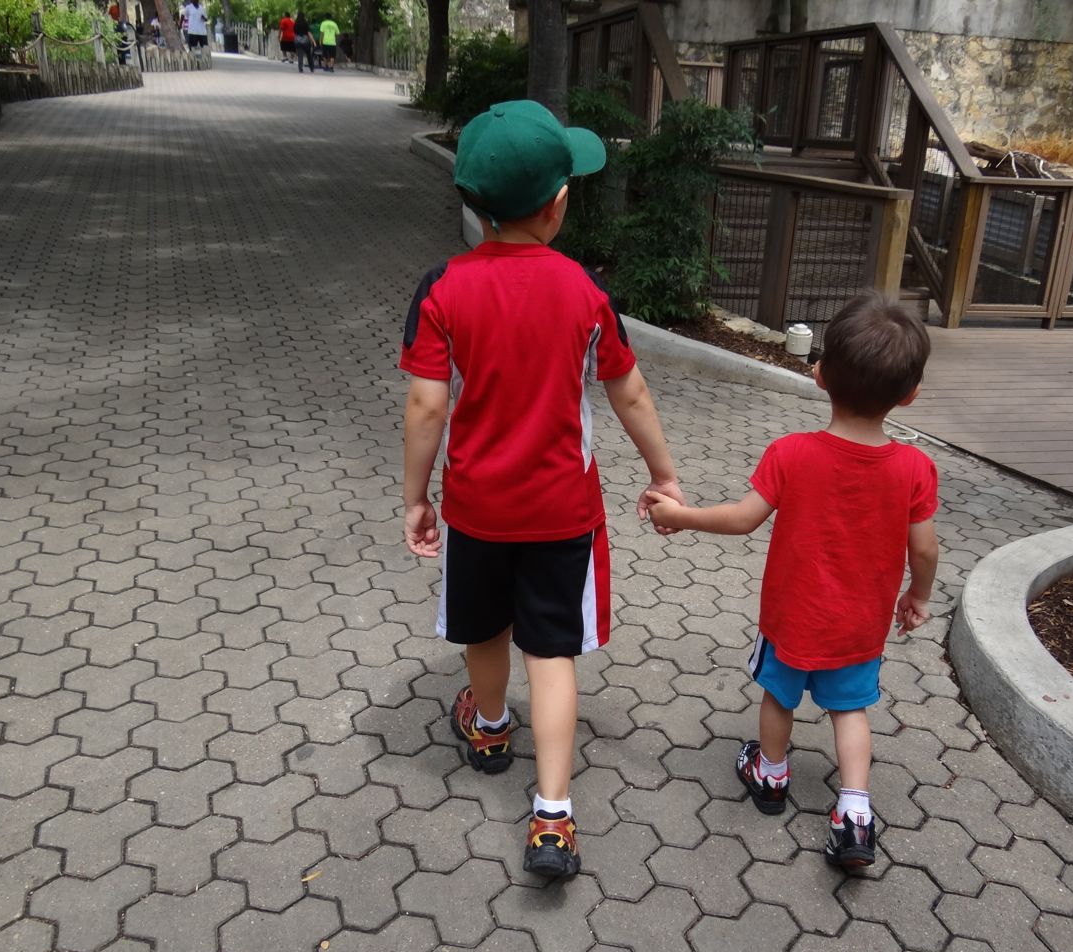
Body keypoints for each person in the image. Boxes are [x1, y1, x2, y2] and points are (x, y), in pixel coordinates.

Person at [400, 100, 683, 878]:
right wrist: (662, 473)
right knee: (552, 653)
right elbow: (629, 393)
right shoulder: (586, 292)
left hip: (477, 510)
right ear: (558, 205)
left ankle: (490, 727)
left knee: (485, 629)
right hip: (562, 513)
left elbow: (426, 405)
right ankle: (553, 816)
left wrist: (416, 498)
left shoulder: (441, 287)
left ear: (475, 205)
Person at [647, 293, 940, 869]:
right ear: (910, 394)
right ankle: (854, 814)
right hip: (860, 626)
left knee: (779, 695)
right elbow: (925, 548)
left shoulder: (792, 453)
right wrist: (918, 595)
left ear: (819, 374)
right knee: (850, 709)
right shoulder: (915, 468)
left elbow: (742, 519)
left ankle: (772, 774)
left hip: (791, 618)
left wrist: (680, 516)